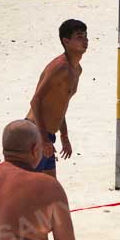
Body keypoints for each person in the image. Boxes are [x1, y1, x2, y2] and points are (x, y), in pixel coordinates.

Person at [27, 19, 88, 175]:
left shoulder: (77, 70)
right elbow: (36, 101)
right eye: (79, 36)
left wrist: (64, 136)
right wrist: (44, 139)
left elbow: (60, 105)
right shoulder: (60, 67)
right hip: (35, 132)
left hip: (48, 135)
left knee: (49, 187)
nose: (85, 40)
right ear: (66, 41)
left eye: (86, 36)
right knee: (32, 188)